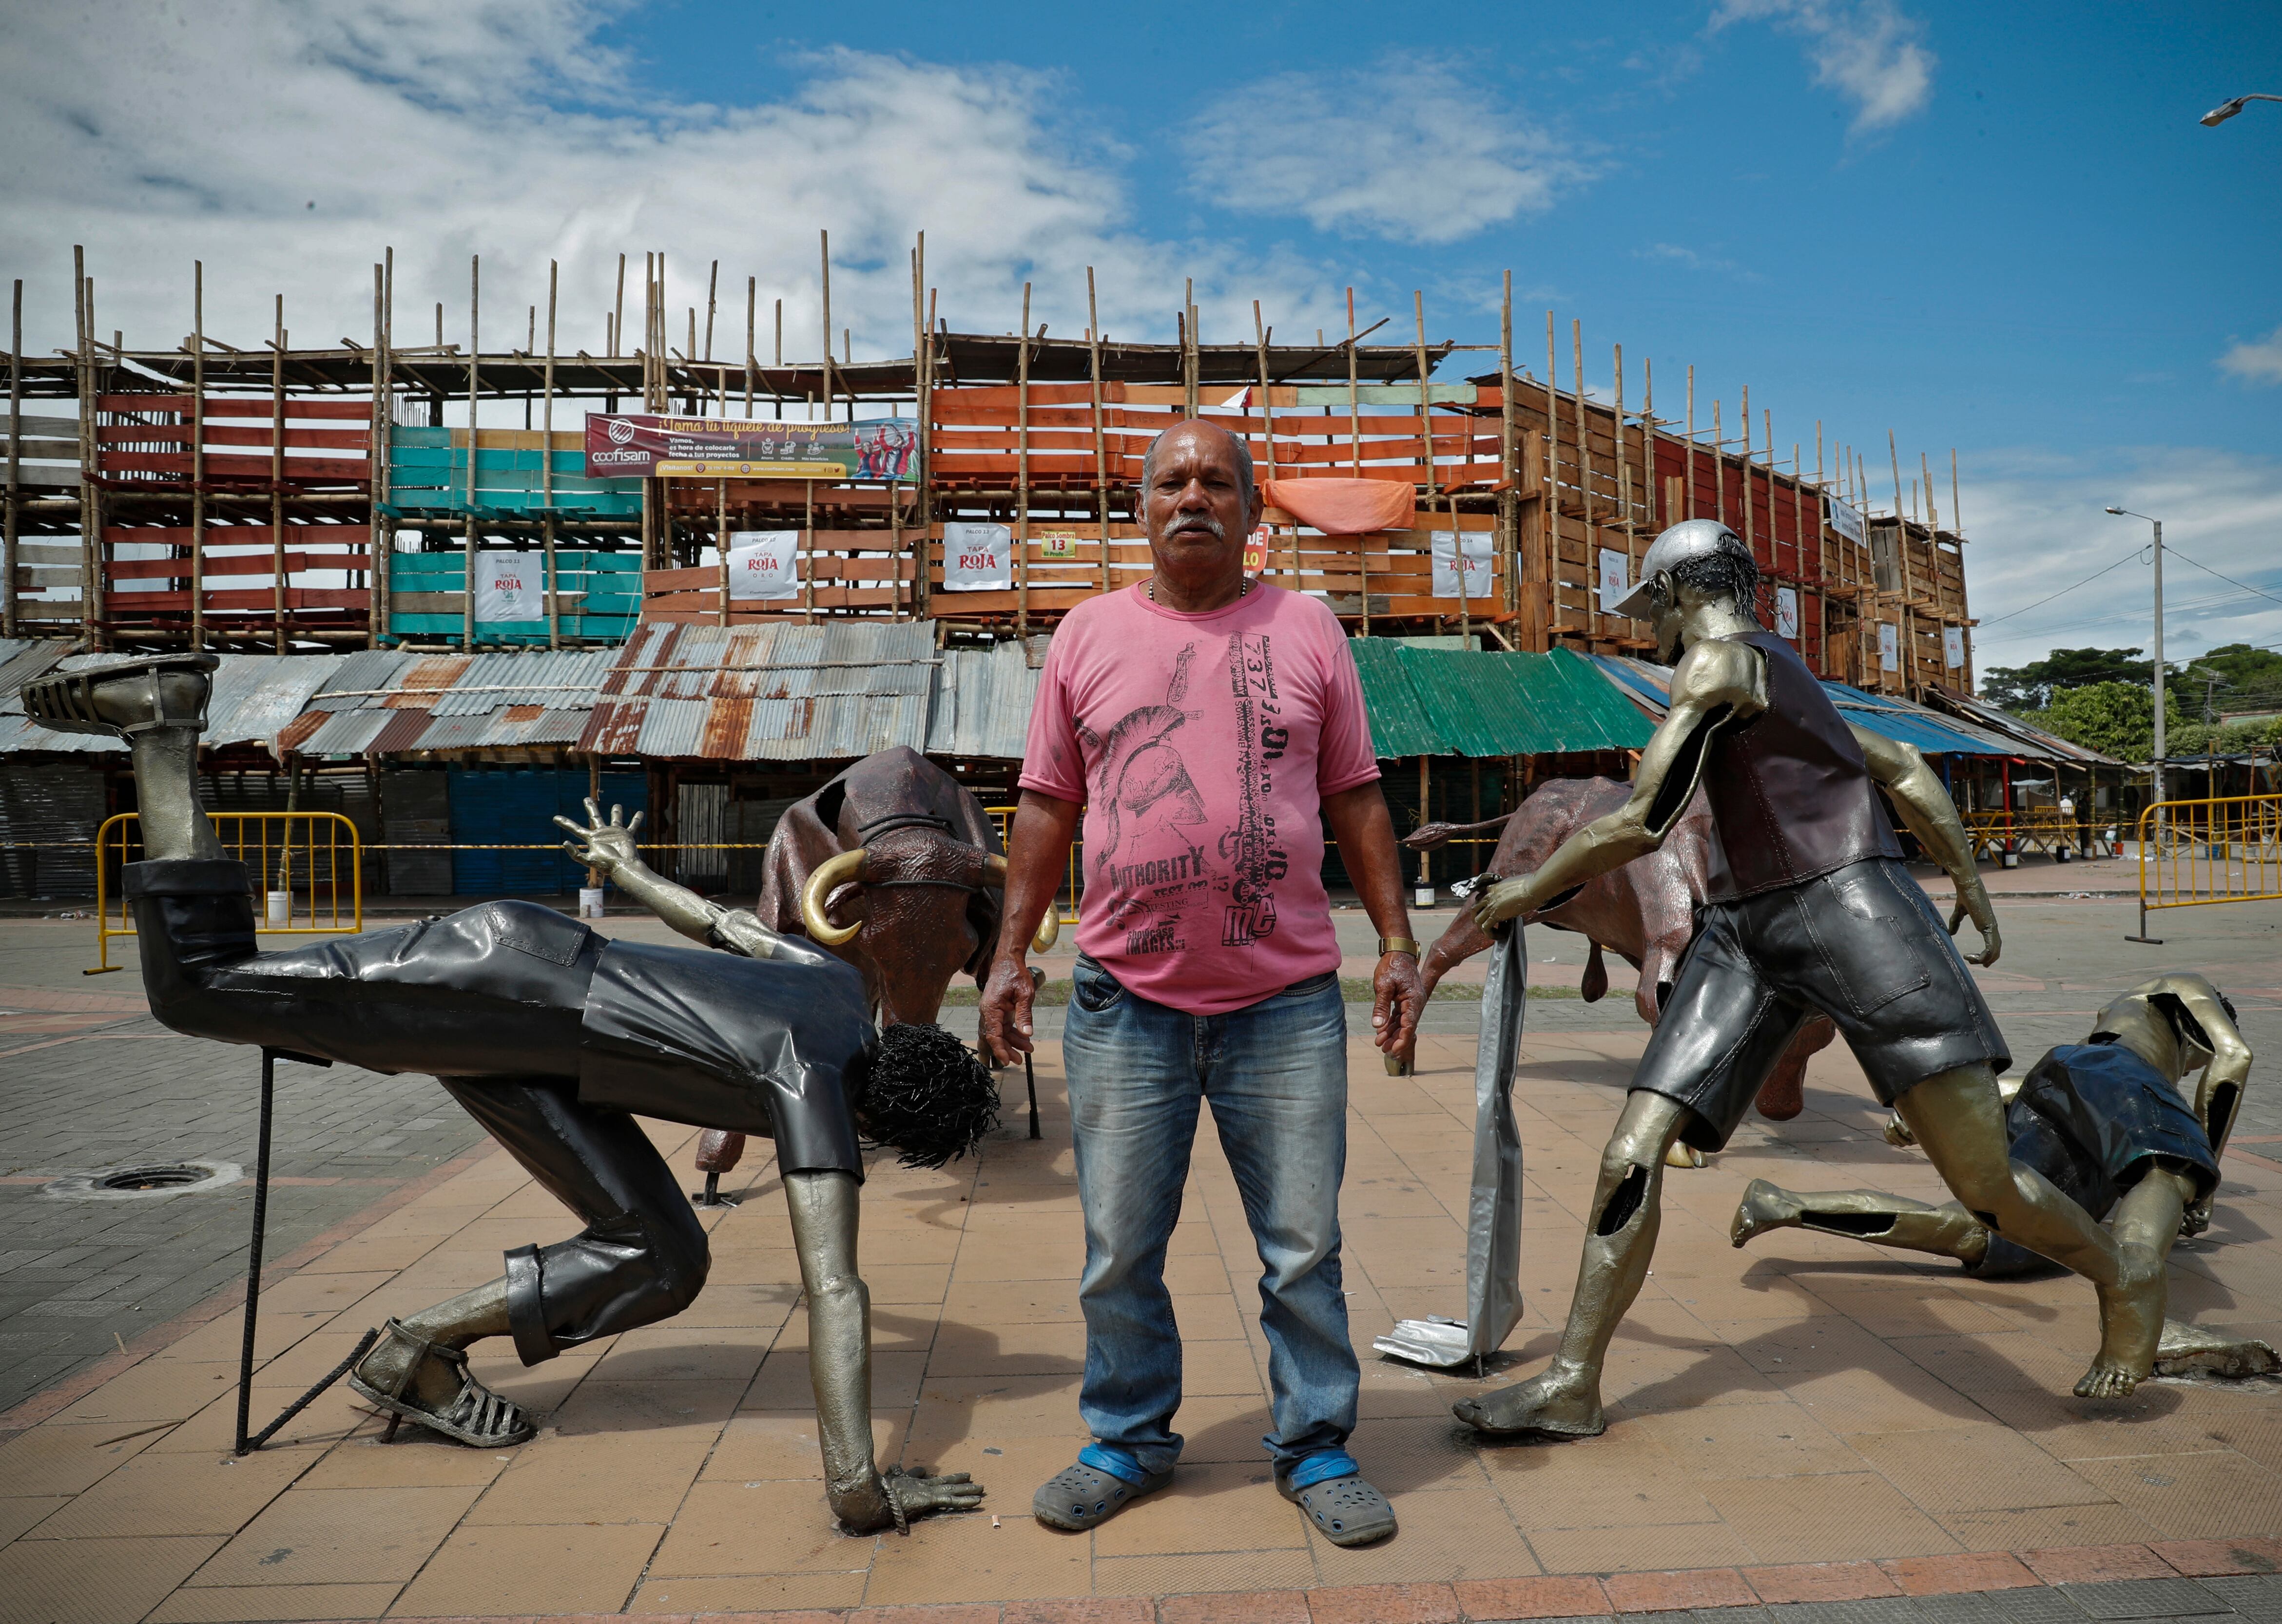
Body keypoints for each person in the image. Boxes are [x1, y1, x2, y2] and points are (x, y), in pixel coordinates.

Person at [22, 653, 989, 1536]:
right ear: (883, 1119)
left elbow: (727, 926)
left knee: (665, 1256)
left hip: (545, 1035)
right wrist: (858, 1485)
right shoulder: (818, 1085)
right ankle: (161, 725)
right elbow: (836, 1287)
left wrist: (628, 871)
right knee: (203, 991)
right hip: (501, 985)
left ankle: (413, 1351)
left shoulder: (837, 986)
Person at [1459, 520, 2163, 1433]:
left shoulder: (1717, 666)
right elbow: (1903, 764)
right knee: (1632, 1150)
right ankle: (1574, 1382)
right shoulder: (1786, 674)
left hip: (1852, 914)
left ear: (1679, 595)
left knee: (1984, 1181)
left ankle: (2124, 1275)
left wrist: (1523, 891)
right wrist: (1969, 880)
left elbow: (1640, 821)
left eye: (1652, 610)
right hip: (1744, 929)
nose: (1651, 633)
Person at [980, 419, 1418, 1549]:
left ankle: (1315, 1442)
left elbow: (1358, 795)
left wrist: (1399, 943)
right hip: (1127, 1002)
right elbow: (1044, 805)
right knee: (1120, 1249)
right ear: (1139, 511)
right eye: (1170, 481)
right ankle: (1127, 1436)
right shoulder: (1086, 636)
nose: (1192, 498)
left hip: (1286, 1004)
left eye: (1217, 482)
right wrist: (1006, 954)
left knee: (1302, 1246)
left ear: (1251, 511)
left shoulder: (1308, 627)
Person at [1730, 974, 2278, 1382]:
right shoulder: (2182, 988)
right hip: (2108, 1076)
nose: (2185, 1075)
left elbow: (2070, 1079)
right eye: (2188, 1067)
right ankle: (2147, 1308)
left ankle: (1786, 1204)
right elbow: (2234, 1060)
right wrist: (2201, 1177)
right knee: (2167, 1168)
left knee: (1995, 1233)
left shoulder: (2112, 1023)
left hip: (2054, 1079)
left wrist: (1946, 1114)